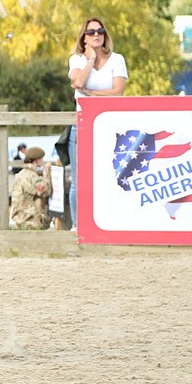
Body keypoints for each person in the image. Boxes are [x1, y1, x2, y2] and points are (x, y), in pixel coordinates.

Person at [67, 17, 127, 229]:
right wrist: (90, 60)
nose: (96, 35)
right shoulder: (76, 60)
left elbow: (118, 92)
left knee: (109, 176)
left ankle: (109, 223)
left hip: (109, 125)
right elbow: (78, 82)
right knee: (78, 178)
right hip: (82, 125)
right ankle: (77, 225)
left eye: (100, 31)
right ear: (83, 37)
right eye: (91, 32)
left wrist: (89, 94)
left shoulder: (117, 59)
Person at [10, 146, 53, 229]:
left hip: (20, 218)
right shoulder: (32, 176)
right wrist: (47, 174)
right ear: (36, 160)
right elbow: (45, 191)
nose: (42, 161)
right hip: (30, 221)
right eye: (41, 159)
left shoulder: (21, 173)